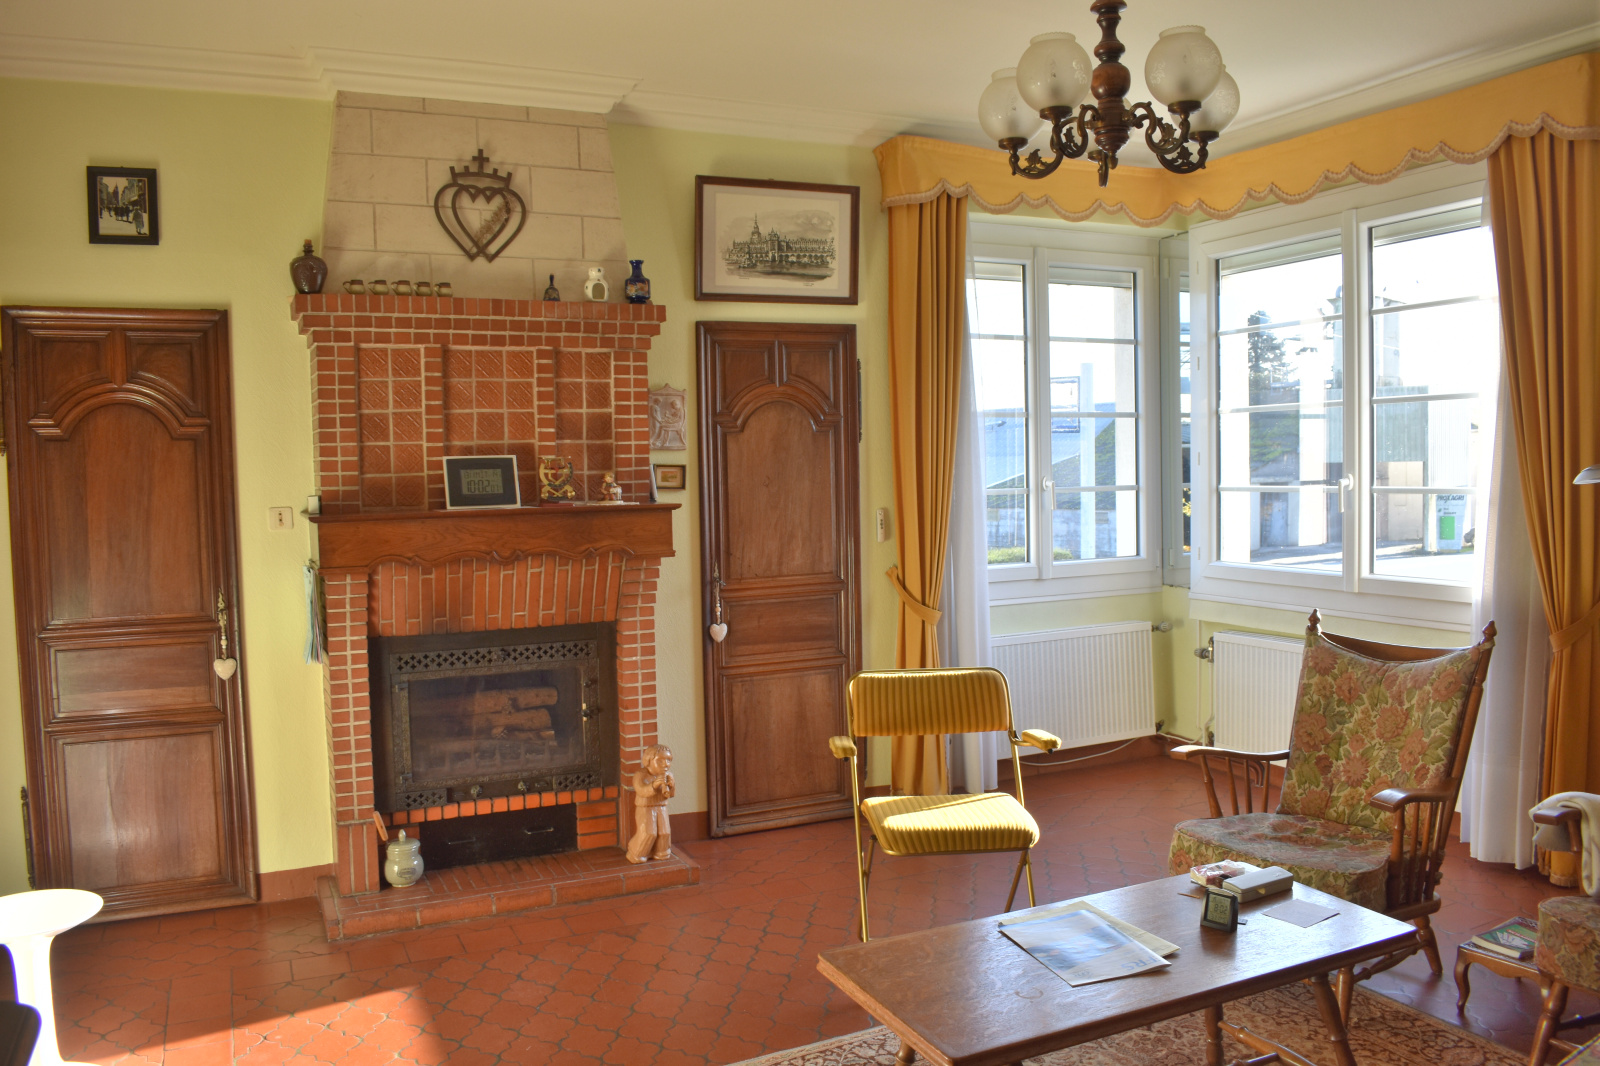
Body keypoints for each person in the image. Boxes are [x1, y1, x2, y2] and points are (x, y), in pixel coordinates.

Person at [624, 744, 674, 863]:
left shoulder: (668, 775)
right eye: (660, 761)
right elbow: (641, 790)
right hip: (645, 808)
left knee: (665, 832)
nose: (665, 764)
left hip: (661, 807)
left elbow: (670, 794)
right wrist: (654, 785)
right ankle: (637, 853)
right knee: (648, 833)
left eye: (668, 760)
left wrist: (671, 786)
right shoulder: (640, 775)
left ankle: (661, 852)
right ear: (648, 761)